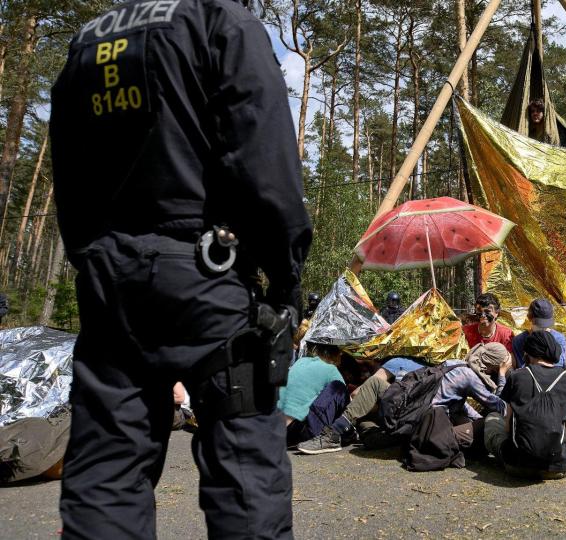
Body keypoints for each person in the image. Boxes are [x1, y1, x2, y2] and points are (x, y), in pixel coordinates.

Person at [50, 1, 312, 537]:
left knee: (106, 471)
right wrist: (286, 279)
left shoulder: (89, 41)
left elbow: (68, 169)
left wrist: (92, 260)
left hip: (111, 285)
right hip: (208, 278)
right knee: (244, 471)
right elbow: (265, 165)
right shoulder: (221, 22)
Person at [298, 343, 512, 454]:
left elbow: (458, 404)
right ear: (492, 365)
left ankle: (336, 432)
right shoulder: (470, 376)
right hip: (421, 420)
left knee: (374, 385)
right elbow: (498, 406)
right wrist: (502, 376)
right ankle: (350, 434)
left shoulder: (453, 363)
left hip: (404, 409)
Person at [484, 330, 566, 479]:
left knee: (493, 417)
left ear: (528, 353)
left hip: (516, 465)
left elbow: (507, 427)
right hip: (557, 466)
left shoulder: (516, 377)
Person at [279, 343, 349, 447]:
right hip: (301, 432)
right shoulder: (331, 370)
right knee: (338, 387)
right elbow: (347, 404)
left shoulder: (301, 361)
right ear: (337, 354)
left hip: (278, 429)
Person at [512, 298, 566, 368]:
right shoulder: (519, 340)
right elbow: (521, 369)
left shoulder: (559, 339)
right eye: (539, 325)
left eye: (546, 325)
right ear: (529, 318)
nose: (543, 328)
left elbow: (559, 367)